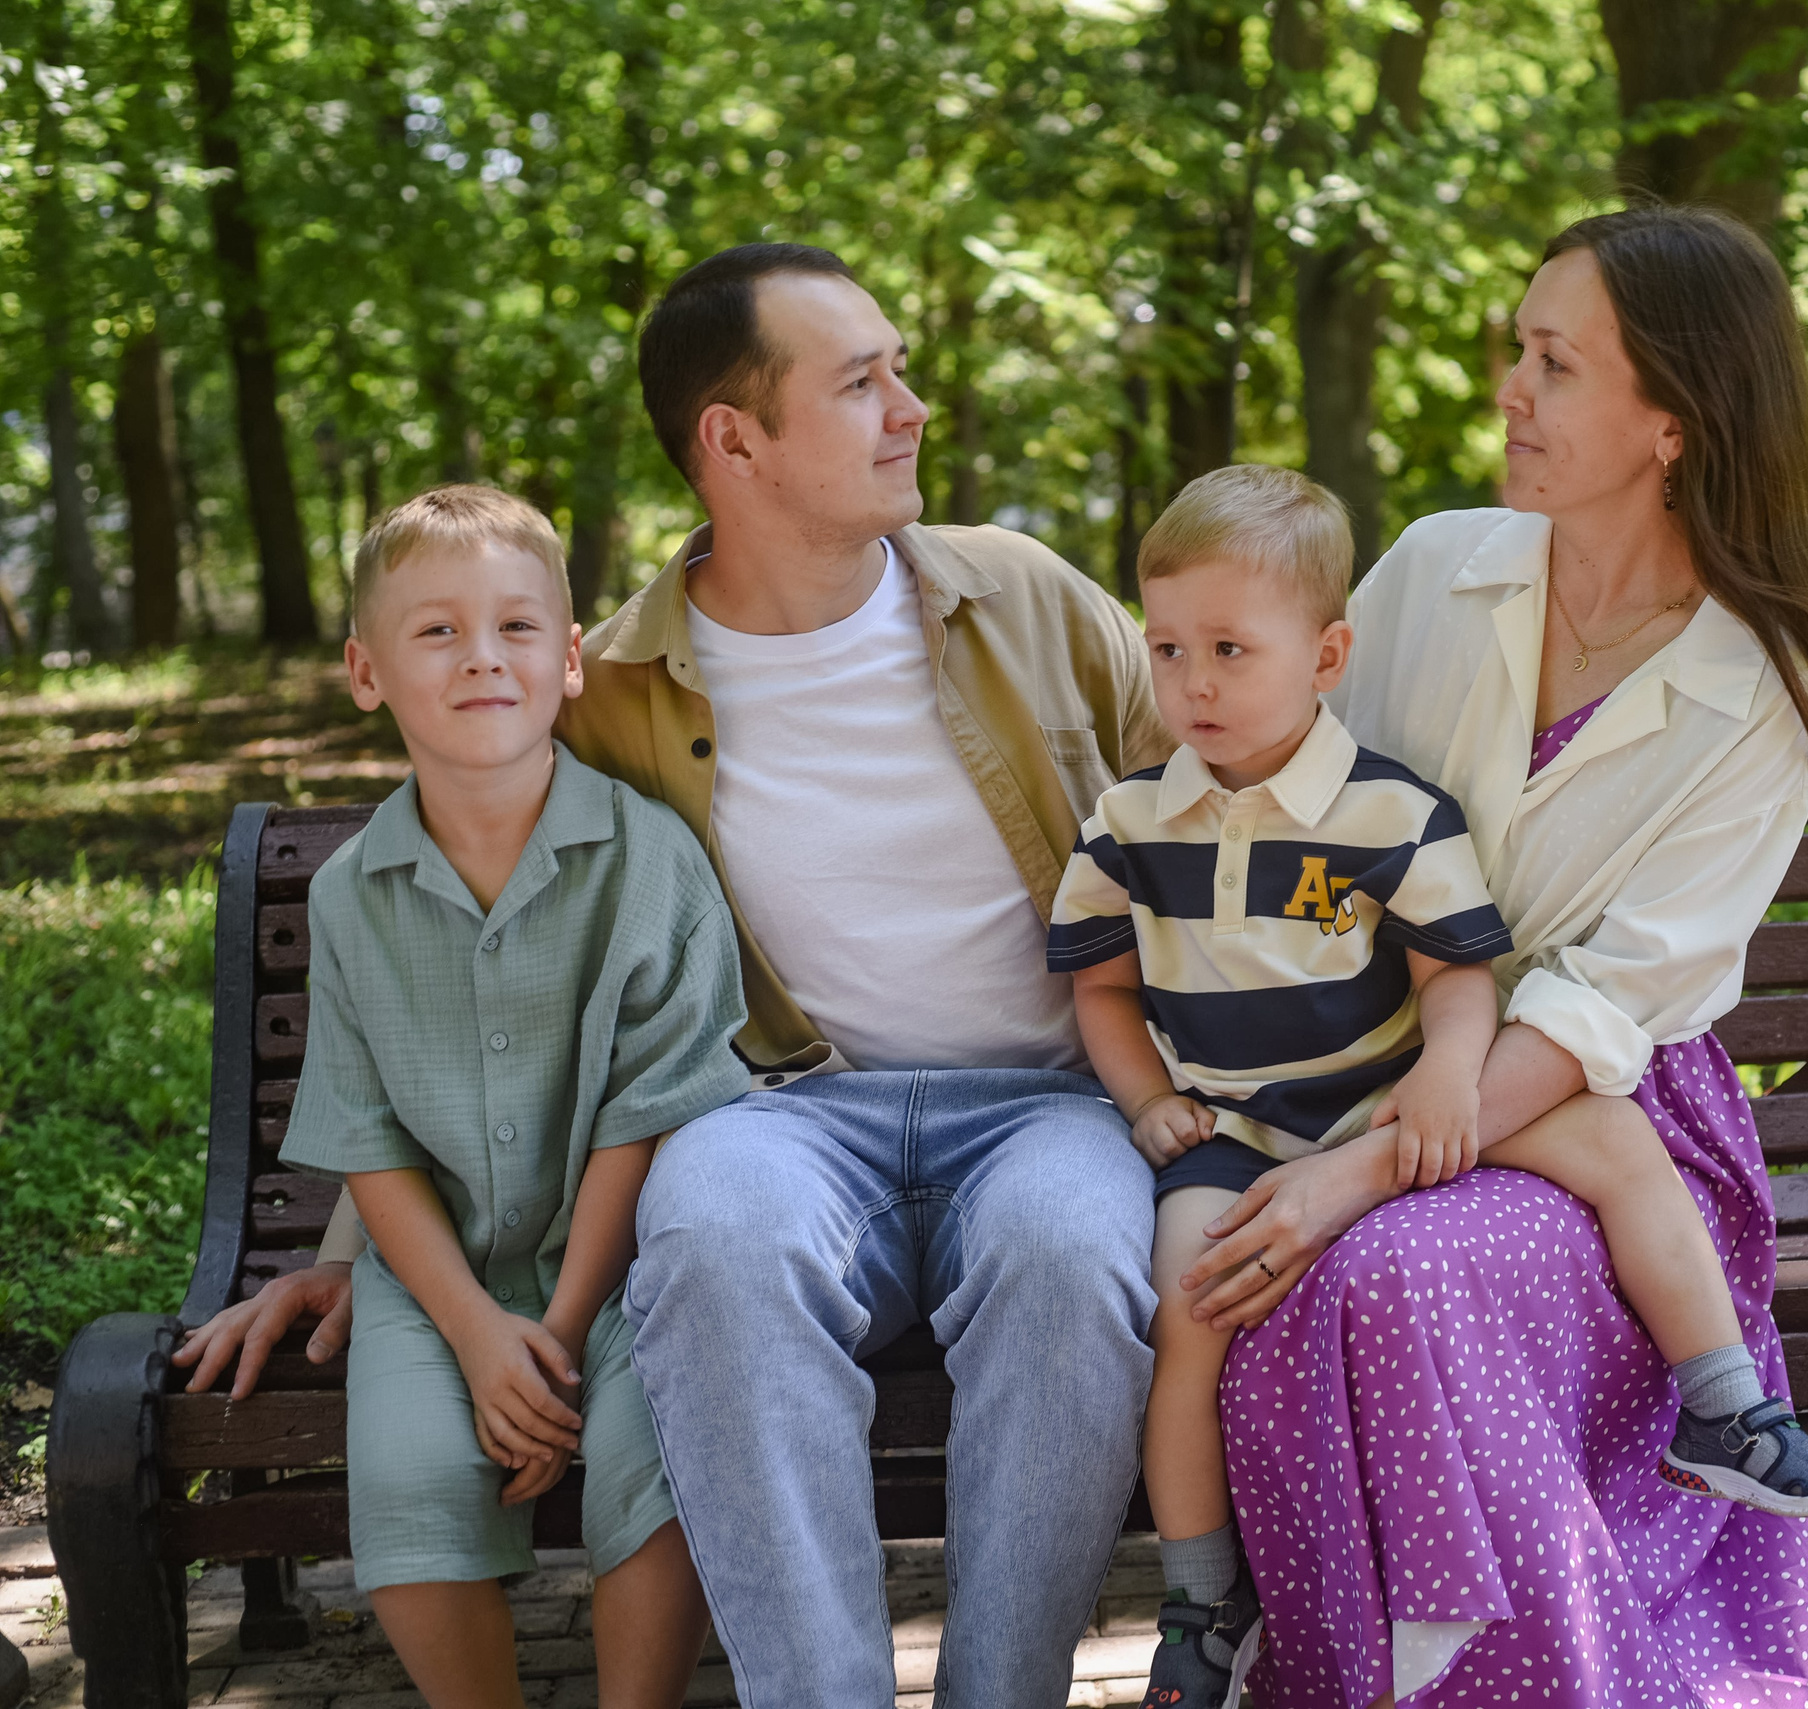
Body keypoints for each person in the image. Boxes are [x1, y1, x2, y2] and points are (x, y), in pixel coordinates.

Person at [175, 243, 1174, 1708]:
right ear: (736, 440)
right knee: (705, 1229)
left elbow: (1230, 824)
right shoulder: (615, 686)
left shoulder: (1026, 600)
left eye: (898, 370)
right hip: (785, 1113)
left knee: (1074, 1250)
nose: (912, 407)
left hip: (1047, 1103)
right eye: (862, 383)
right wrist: (337, 1252)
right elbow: (479, 955)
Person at [1182, 207, 1808, 1705]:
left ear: (1675, 420)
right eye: (1518, 348)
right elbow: (1282, 782)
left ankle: (1480, 1672)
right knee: (1266, 1268)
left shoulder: (1757, 687)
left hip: (1611, 1126)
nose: (1508, 388)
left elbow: (1604, 1005)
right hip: (1362, 1064)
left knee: (1385, 1266)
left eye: (1553, 362)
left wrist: (1351, 1171)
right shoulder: (1441, 569)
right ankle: (1349, 1660)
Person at [1047, 465, 1513, 1706]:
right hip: (1233, 1131)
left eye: (1230, 648)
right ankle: (1200, 1597)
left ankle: (1716, 1409)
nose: (1194, 681)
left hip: (1377, 1118)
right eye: (1167, 647)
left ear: (1327, 653)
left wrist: (1451, 1076)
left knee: (1411, 1286)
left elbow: (1459, 972)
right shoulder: (1129, 826)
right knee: (1188, 1292)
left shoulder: (1393, 812)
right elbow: (1097, 986)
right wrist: (1147, 1096)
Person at [278, 485, 748, 1708]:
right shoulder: (349, 897)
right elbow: (369, 1141)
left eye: (517, 627)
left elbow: (652, 1114)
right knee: (407, 1480)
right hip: (433, 1278)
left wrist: (560, 1326)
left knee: (659, 1463)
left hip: (628, 1259)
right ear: (366, 669)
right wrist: (485, 1338)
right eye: (435, 630)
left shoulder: (651, 860)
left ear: (572, 657)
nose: (482, 654)